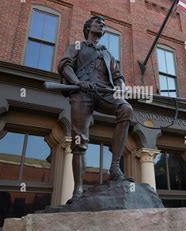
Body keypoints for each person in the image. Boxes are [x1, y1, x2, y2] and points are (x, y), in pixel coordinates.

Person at [57, 16, 134, 201]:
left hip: (104, 92)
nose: (102, 25)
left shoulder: (107, 53)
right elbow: (64, 65)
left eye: (104, 24)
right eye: (98, 22)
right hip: (81, 92)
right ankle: (78, 189)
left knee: (126, 109)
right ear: (88, 27)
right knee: (79, 140)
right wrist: (78, 82)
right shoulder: (77, 46)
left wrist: (120, 87)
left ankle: (115, 167)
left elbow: (117, 75)